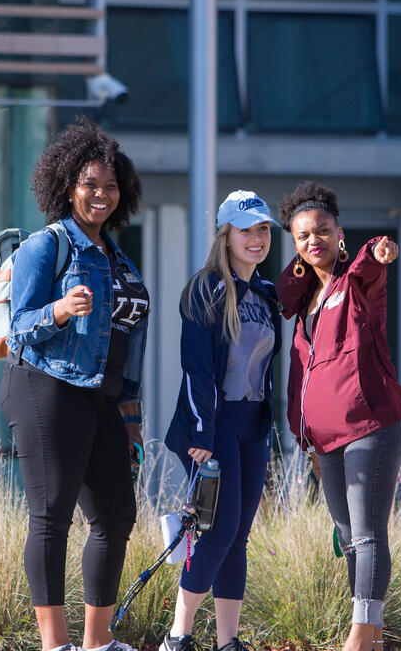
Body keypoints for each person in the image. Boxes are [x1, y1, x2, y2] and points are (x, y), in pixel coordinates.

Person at [1, 117, 149, 651]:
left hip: (102, 396)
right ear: (67, 186)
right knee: (52, 513)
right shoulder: (47, 246)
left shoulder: (118, 257)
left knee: (115, 515)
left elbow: (129, 345)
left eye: (111, 187)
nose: (101, 195)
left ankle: (96, 642)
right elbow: (18, 329)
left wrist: (130, 419)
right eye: (90, 185)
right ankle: (54, 644)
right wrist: (59, 311)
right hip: (46, 385)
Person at [275, 181, 401, 651]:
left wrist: (379, 249)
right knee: (349, 538)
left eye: (323, 231)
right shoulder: (305, 298)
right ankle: (371, 639)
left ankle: (358, 636)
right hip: (324, 439)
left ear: (340, 233)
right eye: (303, 236)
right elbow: (282, 291)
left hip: (372, 423)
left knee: (369, 533)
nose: (315, 241)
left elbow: (373, 259)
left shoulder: (356, 281)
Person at [163, 190, 282, 651]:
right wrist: (202, 432)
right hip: (212, 426)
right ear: (226, 234)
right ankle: (179, 635)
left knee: (239, 535)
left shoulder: (266, 293)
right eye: (247, 229)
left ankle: (227, 642)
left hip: (253, 424)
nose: (256, 238)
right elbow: (196, 366)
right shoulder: (205, 286)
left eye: (263, 229)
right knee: (217, 530)